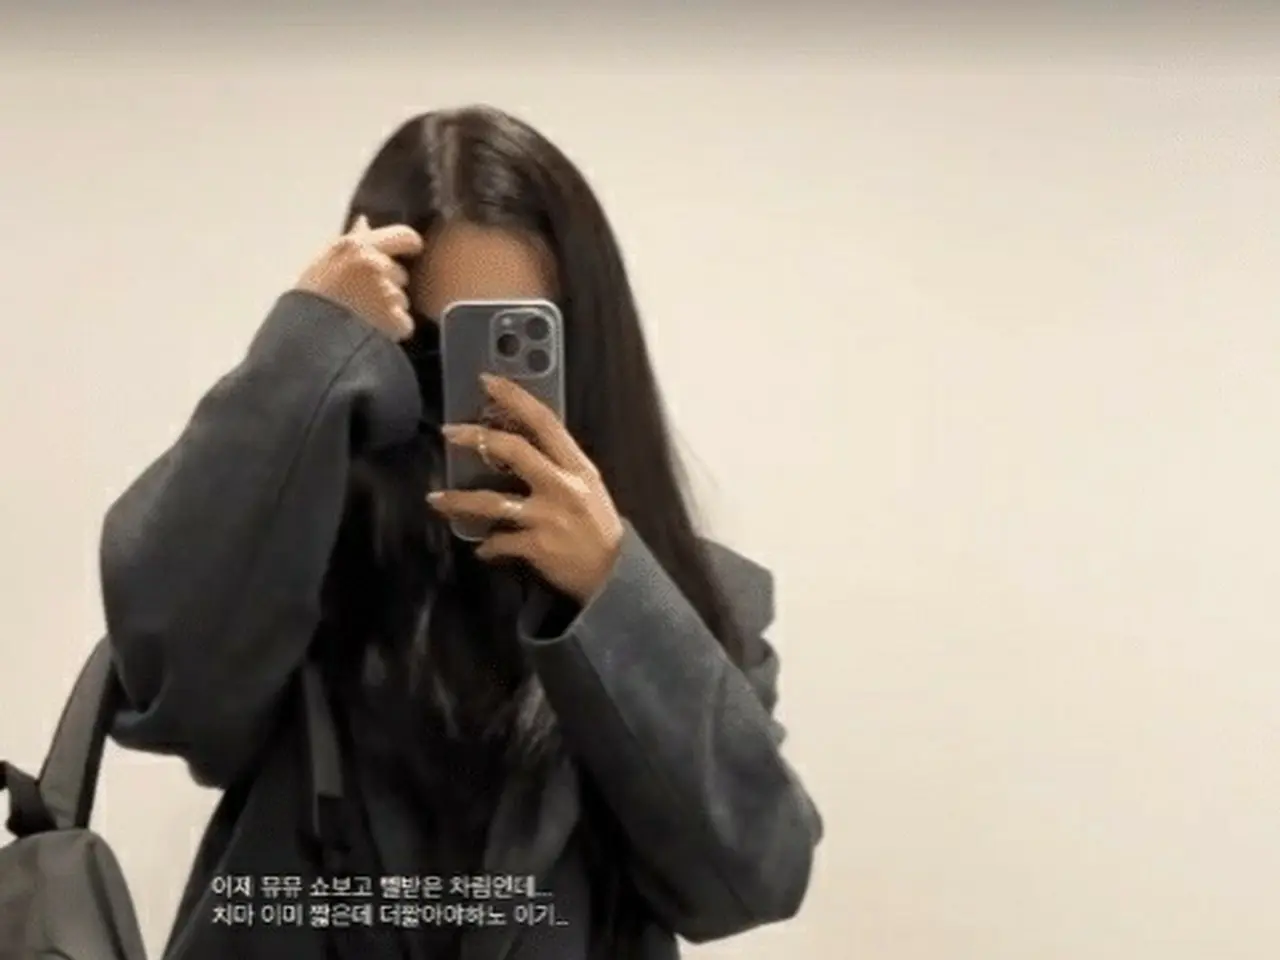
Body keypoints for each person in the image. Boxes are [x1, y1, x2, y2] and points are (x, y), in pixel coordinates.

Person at [100, 105, 821, 960]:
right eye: (438, 348)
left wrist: (610, 592)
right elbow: (168, 692)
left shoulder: (683, 601)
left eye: (518, 341)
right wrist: (303, 351)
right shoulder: (299, 556)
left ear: (585, 346)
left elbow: (751, 877)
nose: (474, 396)